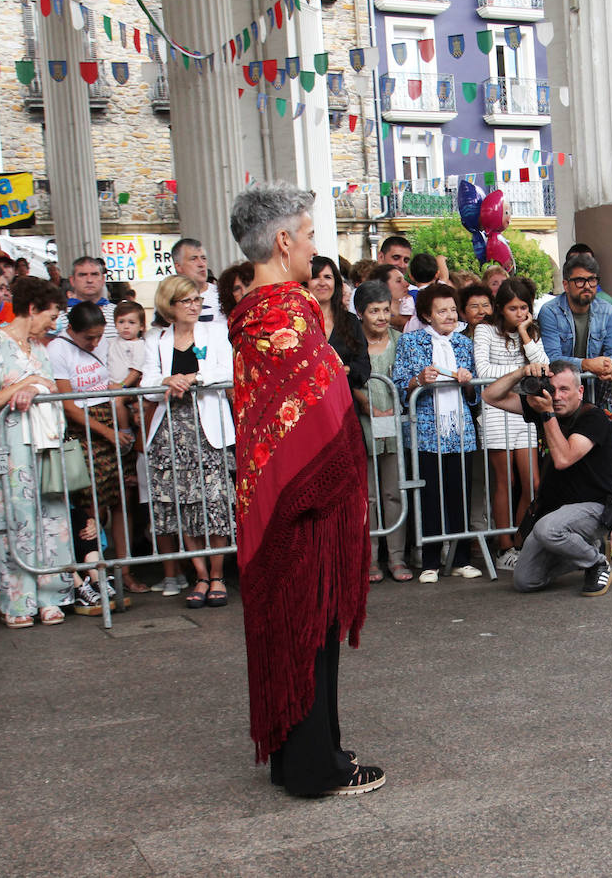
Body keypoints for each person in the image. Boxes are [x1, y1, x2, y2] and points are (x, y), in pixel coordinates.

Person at [228, 183, 383, 796]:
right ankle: (317, 768)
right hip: (308, 501)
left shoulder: (253, 317)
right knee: (312, 625)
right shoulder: (287, 315)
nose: (317, 246)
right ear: (284, 240)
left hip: (274, 494)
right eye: (312, 233)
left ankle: (304, 759)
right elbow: (324, 408)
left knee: (297, 627)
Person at [0, 276, 74, 628]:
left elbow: (50, 388)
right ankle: (19, 601)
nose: (53, 323)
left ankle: (52, 596)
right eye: (50, 315)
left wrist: (38, 386)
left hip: (45, 444)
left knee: (51, 517)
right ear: (32, 309)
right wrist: (24, 385)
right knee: (16, 519)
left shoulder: (42, 349)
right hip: (11, 447)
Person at [481, 360, 612, 596]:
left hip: (595, 508)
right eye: (552, 389)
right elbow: (490, 396)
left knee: (547, 529)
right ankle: (584, 550)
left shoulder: (593, 417)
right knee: (525, 580)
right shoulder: (543, 410)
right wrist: (521, 373)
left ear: (580, 391)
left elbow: (563, 458)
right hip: (556, 512)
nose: (556, 397)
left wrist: (547, 413)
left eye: (564, 390)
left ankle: (597, 563)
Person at [140, 275, 236, 606]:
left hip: (208, 430)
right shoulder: (157, 339)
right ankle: (201, 576)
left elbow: (229, 371)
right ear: (170, 305)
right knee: (184, 506)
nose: (194, 306)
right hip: (171, 432)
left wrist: (196, 377)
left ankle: (219, 574)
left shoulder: (214, 332)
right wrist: (167, 380)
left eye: (197, 300)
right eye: (187, 301)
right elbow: (147, 382)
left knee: (215, 503)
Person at [392, 283, 483, 584]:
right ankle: (430, 560)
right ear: (426, 315)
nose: (449, 316)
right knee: (429, 495)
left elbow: (475, 395)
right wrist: (418, 379)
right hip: (427, 431)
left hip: (461, 430)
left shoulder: (463, 344)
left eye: (452, 310)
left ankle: (460, 558)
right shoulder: (411, 342)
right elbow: (398, 383)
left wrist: (469, 382)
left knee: (459, 492)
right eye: (441, 311)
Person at [50, 302, 138, 580]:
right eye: (89, 337)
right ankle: (93, 572)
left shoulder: (105, 344)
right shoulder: (58, 349)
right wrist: (108, 433)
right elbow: (68, 405)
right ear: (71, 330)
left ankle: (125, 573)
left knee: (122, 499)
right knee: (92, 503)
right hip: (84, 426)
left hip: (112, 415)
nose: (96, 342)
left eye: (100, 336)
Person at [473, 277, 548, 570]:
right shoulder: (484, 330)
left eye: (524, 308)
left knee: (533, 483)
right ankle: (504, 547)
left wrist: (524, 334)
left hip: (523, 410)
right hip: (494, 409)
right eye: (513, 308)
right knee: (506, 481)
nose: (519, 313)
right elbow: (484, 370)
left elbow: (545, 365)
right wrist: (521, 371)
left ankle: (520, 540)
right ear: (500, 308)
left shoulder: (530, 331)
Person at [352, 280, 409, 583]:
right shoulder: (352, 344)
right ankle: (371, 558)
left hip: (394, 425)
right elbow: (348, 382)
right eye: (374, 311)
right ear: (361, 313)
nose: (382, 317)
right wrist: (367, 405)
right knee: (369, 495)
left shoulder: (401, 341)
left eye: (386, 310)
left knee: (394, 491)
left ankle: (397, 558)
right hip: (363, 424)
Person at [538, 252, 612, 394]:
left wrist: (611, 365)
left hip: (594, 392)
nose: (587, 286)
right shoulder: (550, 312)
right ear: (566, 285)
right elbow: (552, 358)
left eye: (592, 280)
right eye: (580, 281)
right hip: (559, 392)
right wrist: (586, 364)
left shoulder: (606, 310)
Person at [309, 256, 370, 397]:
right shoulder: (297, 323)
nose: (322, 283)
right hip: (309, 404)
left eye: (328, 277)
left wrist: (344, 370)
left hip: (343, 399)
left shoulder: (350, 321)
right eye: (315, 277)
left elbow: (363, 366)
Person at [54, 256, 116, 344]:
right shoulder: (58, 317)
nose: (89, 280)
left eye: (94, 274)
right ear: (72, 281)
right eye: (82, 275)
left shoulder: (118, 313)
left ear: (103, 279)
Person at [173, 238, 222, 323]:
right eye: (193, 259)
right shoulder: (169, 297)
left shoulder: (222, 294)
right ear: (178, 266)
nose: (201, 264)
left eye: (203, 258)